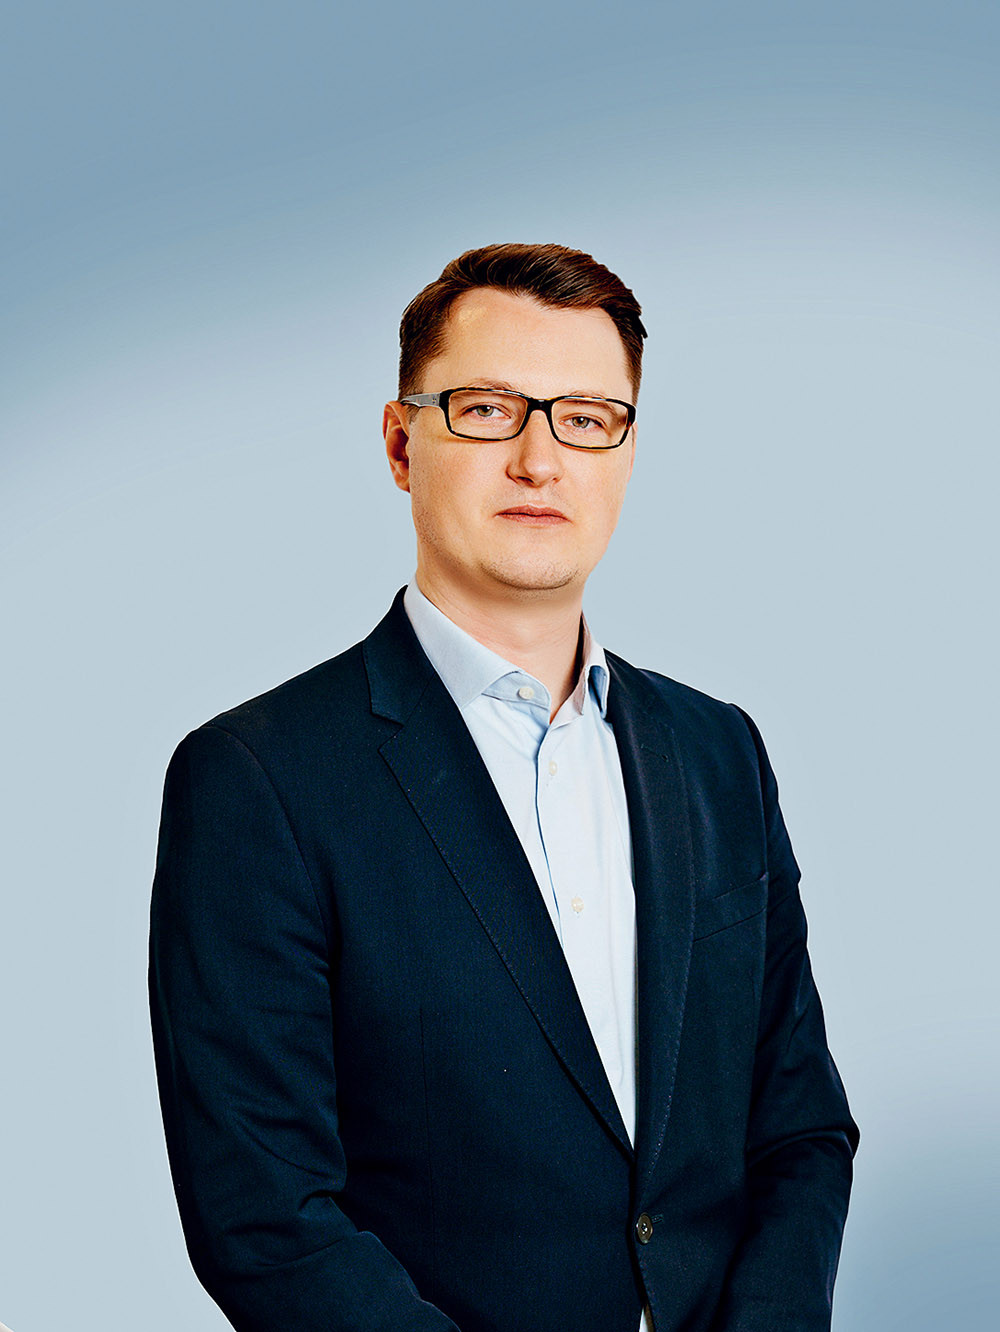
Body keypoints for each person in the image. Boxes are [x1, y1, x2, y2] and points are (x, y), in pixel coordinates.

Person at [149, 242, 858, 1332]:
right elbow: (265, 1215)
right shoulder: (258, 779)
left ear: (626, 450)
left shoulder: (718, 754)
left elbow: (799, 1128)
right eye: (486, 411)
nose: (539, 459)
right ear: (402, 443)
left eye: (586, 418)